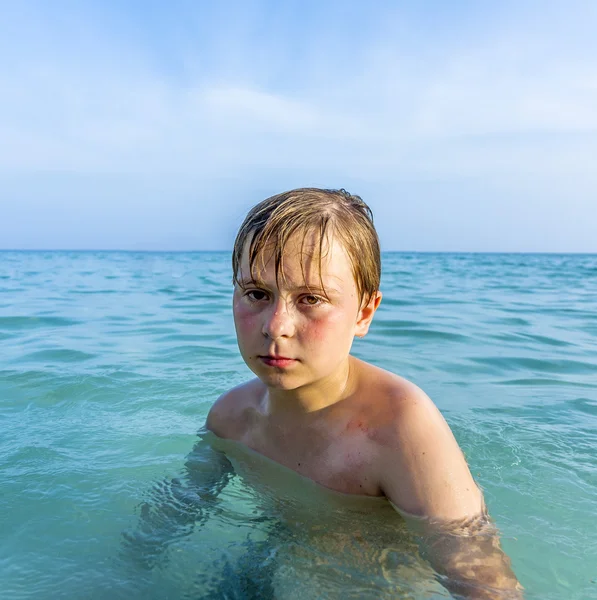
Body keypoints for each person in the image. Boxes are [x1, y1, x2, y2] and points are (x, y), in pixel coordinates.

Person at [205, 187, 523, 599]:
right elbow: (165, 521)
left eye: (311, 299)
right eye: (257, 294)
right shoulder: (230, 418)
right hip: (275, 562)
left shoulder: (402, 428)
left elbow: (484, 581)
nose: (276, 325)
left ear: (364, 313)